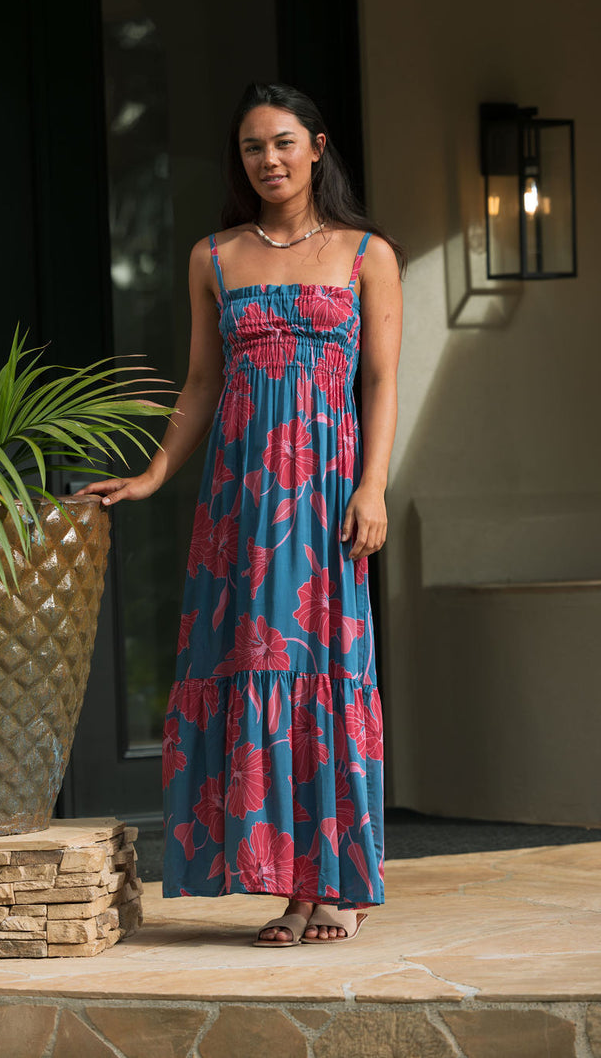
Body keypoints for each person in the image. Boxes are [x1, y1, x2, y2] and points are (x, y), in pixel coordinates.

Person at [80, 82, 403, 946]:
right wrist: (152, 474)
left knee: (322, 666)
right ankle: (292, 886)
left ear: (318, 147)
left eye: (285, 143)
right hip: (242, 497)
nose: (269, 159)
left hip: (328, 491)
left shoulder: (367, 254)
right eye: (254, 147)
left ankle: (332, 881)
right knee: (252, 663)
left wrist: (372, 486)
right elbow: (201, 384)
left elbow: (380, 381)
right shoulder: (213, 258)